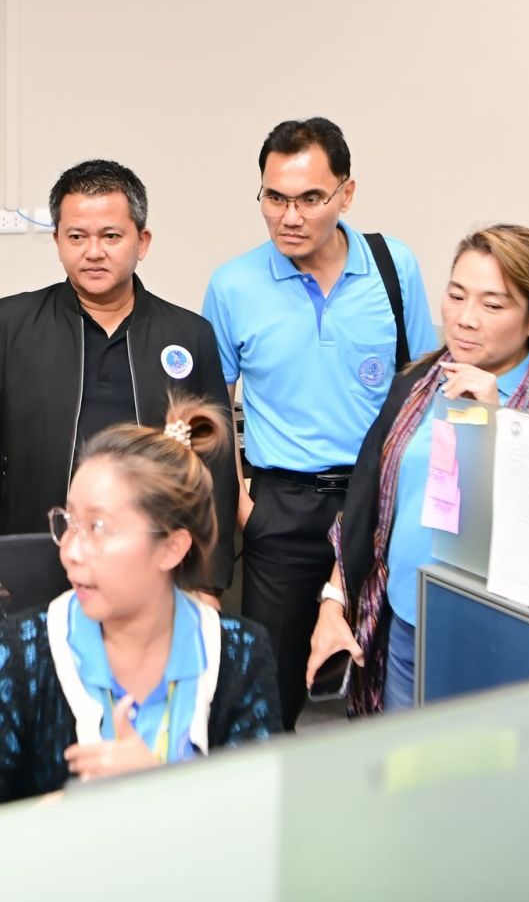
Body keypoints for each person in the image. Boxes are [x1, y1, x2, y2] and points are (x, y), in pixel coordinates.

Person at [0, 396, 281, 816]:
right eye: (68, 522)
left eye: (98, 527)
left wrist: (159, 788)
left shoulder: (238, 654)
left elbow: (261, 824)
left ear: (172, 547)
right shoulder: (24, 652)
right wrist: (54, 816)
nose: (70, 551)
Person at [307, 224, 529, 714]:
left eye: (493, 305)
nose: (465, 319)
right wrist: (333, 600)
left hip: (497, 638)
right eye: (457, 295)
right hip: (404, 619)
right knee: (403, 756)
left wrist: (493, 426)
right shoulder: (418, 382)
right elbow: (365, 499)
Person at [201, 117, 435, 728]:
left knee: (384, 686)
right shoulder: (233, 285)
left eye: (310, 198)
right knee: (267, 697)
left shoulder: (393, 267)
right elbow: (208, 410)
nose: (290, 216)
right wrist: (244, 504)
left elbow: (421, 390)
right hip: (283, 509)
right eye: (274, 198)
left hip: (378, 504)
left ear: (346, 194)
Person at [0, 159, 239, 600]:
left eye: (111, 236)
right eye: (77, 236)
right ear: (57, 241)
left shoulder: (188, 334)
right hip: (32, 564)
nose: (93, 251)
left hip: (153, 569)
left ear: (142, 241)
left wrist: (206, 580)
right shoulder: (11, 323)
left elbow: (214, 465)